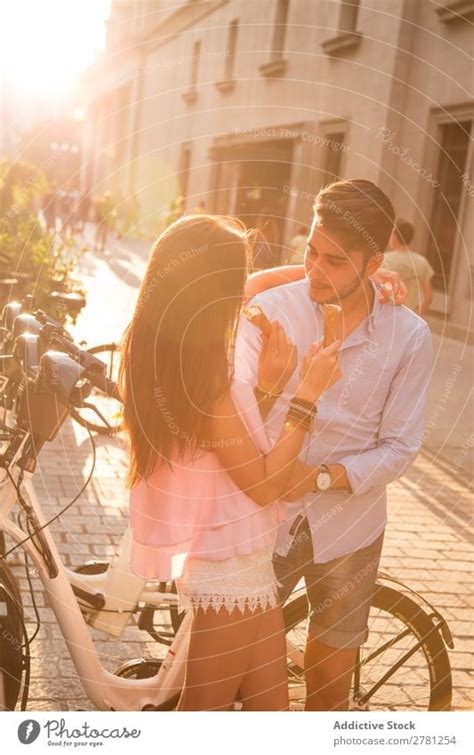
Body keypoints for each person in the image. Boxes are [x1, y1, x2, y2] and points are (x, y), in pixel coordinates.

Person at [120, 214, 342, 711]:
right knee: (201, 718)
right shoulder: (206, 374)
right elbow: (261, 485)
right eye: (234, 279)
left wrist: (266, 388)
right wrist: (306, 394)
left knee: (270, 717)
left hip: (244, 559)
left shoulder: (169, 351)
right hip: (228, 565)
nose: (245, 290)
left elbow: (223, 451)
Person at [234, 179, 432, 711]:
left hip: (351, 523)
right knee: (234, 667)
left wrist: (322, 477)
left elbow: (401, 445)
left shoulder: (408, 337)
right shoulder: (269, 310)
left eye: (336, 262)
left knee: (330, 670)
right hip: (262, 515)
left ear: (374, 265)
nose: (315, 271)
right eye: (310, 252)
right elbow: (231, 416)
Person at [384, 218, 434, 316]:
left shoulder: (383, 259)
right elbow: (428, 297)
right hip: (408, 317)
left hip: (387, 316)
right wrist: (418, 317)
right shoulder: (422, 262)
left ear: (395, 236)